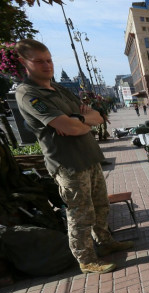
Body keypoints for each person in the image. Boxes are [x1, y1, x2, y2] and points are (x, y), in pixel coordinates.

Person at [15, 39, 133, 274]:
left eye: (49, 60)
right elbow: (68, 127)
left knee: (100, 206)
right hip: (68, 163)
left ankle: (105, 242)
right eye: (39, 61)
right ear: (23, 63)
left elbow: (96, 116)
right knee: (81, 213)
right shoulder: (28, 94)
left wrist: (78, 121)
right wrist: (76, 122)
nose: (47, 65)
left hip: (89, 157)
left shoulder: (57, 88)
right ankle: (86, 258)